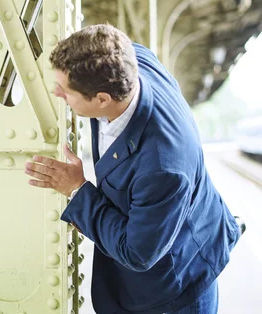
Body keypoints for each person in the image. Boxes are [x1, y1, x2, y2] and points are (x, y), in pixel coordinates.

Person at [24, 24, 243, 313]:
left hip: (176, 290)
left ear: (102, 99)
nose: (56, 92)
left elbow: (137, 252)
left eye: (65, 90)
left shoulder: (162, 167)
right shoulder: (133, 61)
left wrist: (76, 189)